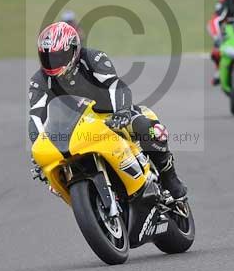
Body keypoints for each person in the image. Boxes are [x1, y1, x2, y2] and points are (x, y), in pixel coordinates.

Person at [28, 21, 187, 198]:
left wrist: (122, 112)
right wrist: (38, 146)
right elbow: (36, 116)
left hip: (111, 115)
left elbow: (116, 86)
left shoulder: (92, 58)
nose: (53, 62)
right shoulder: (39, 81)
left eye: (58, 56)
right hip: (75, 128)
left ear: (73, 49)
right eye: (47, 57)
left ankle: (170, 178)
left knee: (149, 129)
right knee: (54, 175)